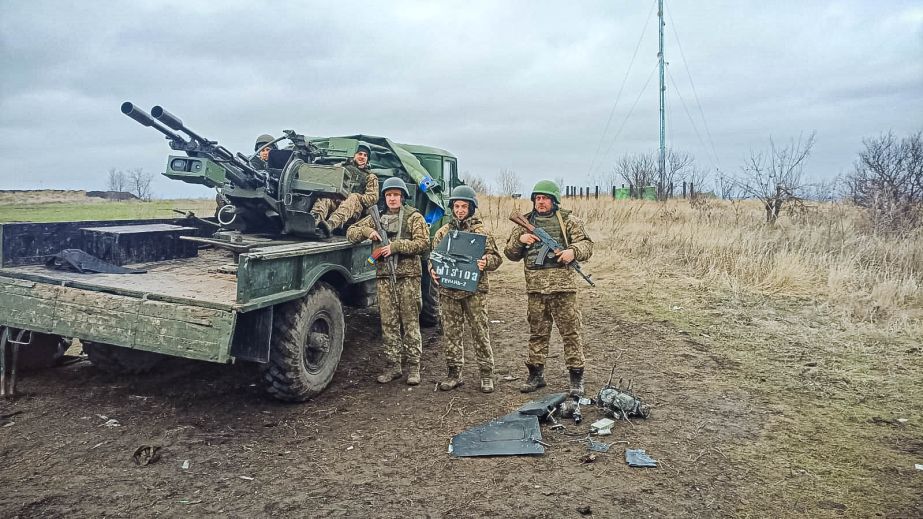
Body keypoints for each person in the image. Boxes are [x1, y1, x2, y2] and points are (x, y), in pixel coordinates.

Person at [503, 180, 594, 395]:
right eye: (537, 199)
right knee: (537, 333)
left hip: (563, 289)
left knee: (571, 333)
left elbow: (587, 245)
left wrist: (573, 251)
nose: (540, 202)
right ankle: (535, 374)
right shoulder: (524, 223)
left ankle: (576, 378)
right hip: (536, 290)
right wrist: (521, 241)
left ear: (554, 201)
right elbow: (510, 254)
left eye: (545, 198)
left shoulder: (569, 221)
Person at [346, 177, 430, 385]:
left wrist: (395, 247)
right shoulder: (377, 217)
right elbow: (351, 233)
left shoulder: (413, 217)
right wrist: (368, 231)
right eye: (389, 195)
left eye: (396, 195)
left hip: (408, 277)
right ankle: (393, 365)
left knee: (410, 323)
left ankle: (414, 367)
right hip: (384, 277)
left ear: (402, 197)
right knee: (389, 323)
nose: (392, 198)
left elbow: (423, 244)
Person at [428, 185, 502, 393]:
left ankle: (486, 375)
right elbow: (434, 257)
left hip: (474, 292)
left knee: (480, 332)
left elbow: (497, 259)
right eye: (457, 206)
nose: (460, 210)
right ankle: (454, 373)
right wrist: (432, 269)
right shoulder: (443, 232)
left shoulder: (482, 233)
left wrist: (486, 261)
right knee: (451, 333)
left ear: (471, 208)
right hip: (449, 291)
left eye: (464, 206)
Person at [313, 144, 379, 236]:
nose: (362, 157)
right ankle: (314, 221)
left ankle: (329, 226)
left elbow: (372, 198)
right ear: (353, 155)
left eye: (365, 155)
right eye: (360, 154)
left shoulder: (370, 177)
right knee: (326, 196)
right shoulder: (342, 168)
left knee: (353, 197)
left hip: (354, 212)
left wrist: (356, 197)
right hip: (336, 203)